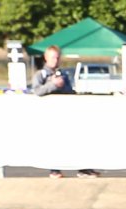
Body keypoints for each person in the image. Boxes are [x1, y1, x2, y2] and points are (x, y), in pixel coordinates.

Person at [31, 46, 98, 179]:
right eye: (52, 57)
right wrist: (53, 84)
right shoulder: (40, 75)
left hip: (66, 114)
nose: (55, 60)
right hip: (50, 116)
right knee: (54, 142)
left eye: (57, 57)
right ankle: (54, 170)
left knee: (77, 140)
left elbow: (69, 92)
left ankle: (84, 169)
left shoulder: (63, 74)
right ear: (46, 58)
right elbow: (37, 91)